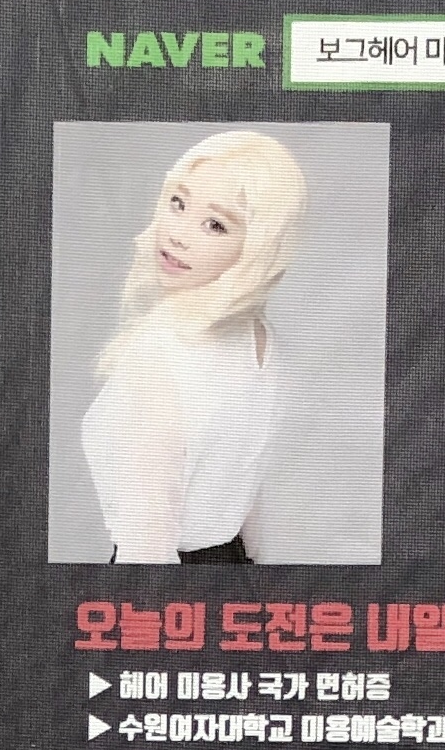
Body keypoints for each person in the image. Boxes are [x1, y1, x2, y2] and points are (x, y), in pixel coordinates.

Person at [81, 128, 306, 565]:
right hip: (232, 567)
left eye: (215, 225)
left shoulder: (162, 348)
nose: (177, 235)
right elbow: (245, 497)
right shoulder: (260, 339)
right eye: (178, 203)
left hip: (163, 579)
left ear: (256, 247)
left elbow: (148, 540)